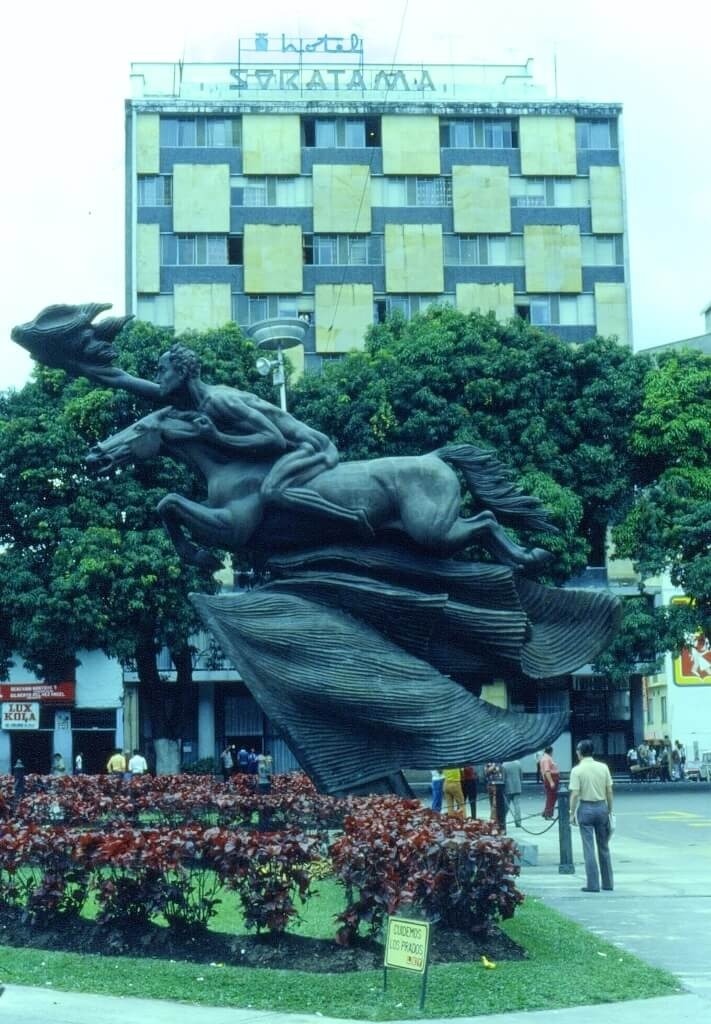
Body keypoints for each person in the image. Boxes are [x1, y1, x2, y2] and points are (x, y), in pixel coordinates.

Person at [152, 345, 371, 535]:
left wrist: (217, 437)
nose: (157, 378)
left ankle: (353, 518)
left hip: (313, 448)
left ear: (181, 372)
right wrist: (118, 377)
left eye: (162, 371)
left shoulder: (218, 401)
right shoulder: (200, 402)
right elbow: (144, 388)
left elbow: (274, 440)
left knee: (272, 491)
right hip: (292, 451)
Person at [569, 739, 614, 892]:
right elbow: (609, 790)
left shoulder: (577, 770)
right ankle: (608, 883)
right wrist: (610, 809)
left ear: (580, 753)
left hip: (586, 808)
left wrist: (571, 813)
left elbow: (575, 794)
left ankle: (593, 884)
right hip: (602, 807)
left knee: (589, 848)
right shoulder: (603, 767)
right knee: (604, 847)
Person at [539, 746, 560, 819]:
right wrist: (551, 782)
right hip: (551, 778)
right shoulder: (547, 759)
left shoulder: (545, 758)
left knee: (551, 796)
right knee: (552, 797)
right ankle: (548, 814)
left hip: (551, 778)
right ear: (551, 751)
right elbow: (547, 771)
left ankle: (546, 812)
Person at [502, 759, 523, 827]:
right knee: (517, 805)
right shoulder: (518, 763)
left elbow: (503, 778)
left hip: (508, 787)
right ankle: (518, 822)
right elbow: (521, 776)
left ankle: (502, 820)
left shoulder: (504, 765)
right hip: (517, 787)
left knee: (506, 806)